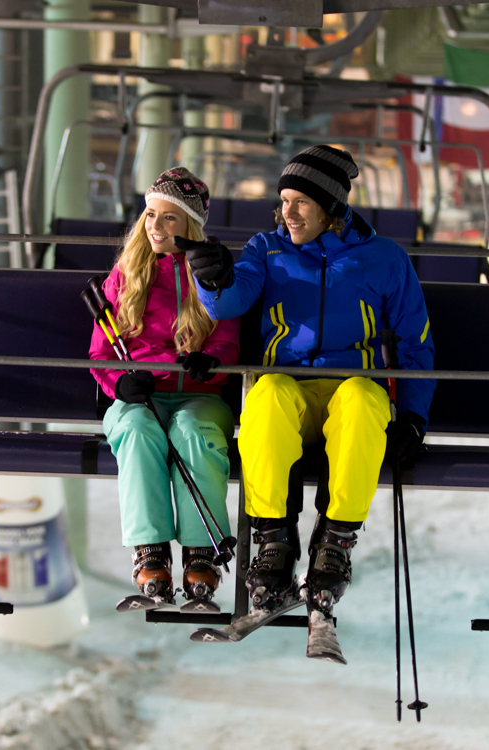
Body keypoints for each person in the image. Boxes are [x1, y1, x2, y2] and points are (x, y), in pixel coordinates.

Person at [176, 145, 435, 619]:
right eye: (284, 201)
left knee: (363, 395)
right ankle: (273, 536)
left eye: (300, 202)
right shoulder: (267, 249)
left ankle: (336, 539)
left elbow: (415, 340)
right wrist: (213, 280)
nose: (287, 213)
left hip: (346, 396)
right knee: (268, 390)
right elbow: (230, 303)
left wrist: (414, 416)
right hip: (290, 394)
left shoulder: (383, 259)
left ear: (332, 207)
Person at [89, 167, 240, 606]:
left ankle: (200, 554)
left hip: (200, 394)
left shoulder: (211, 276)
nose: (155, 226)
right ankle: (149, 551)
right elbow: (101, 351)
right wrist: (121, 380)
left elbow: (228, 341)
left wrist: (209, 365)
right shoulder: (126, 276)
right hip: (139, 394)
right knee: (137, 432)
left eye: (169, 218)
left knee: (193, 434)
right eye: (151, 215)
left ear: (190, 226)